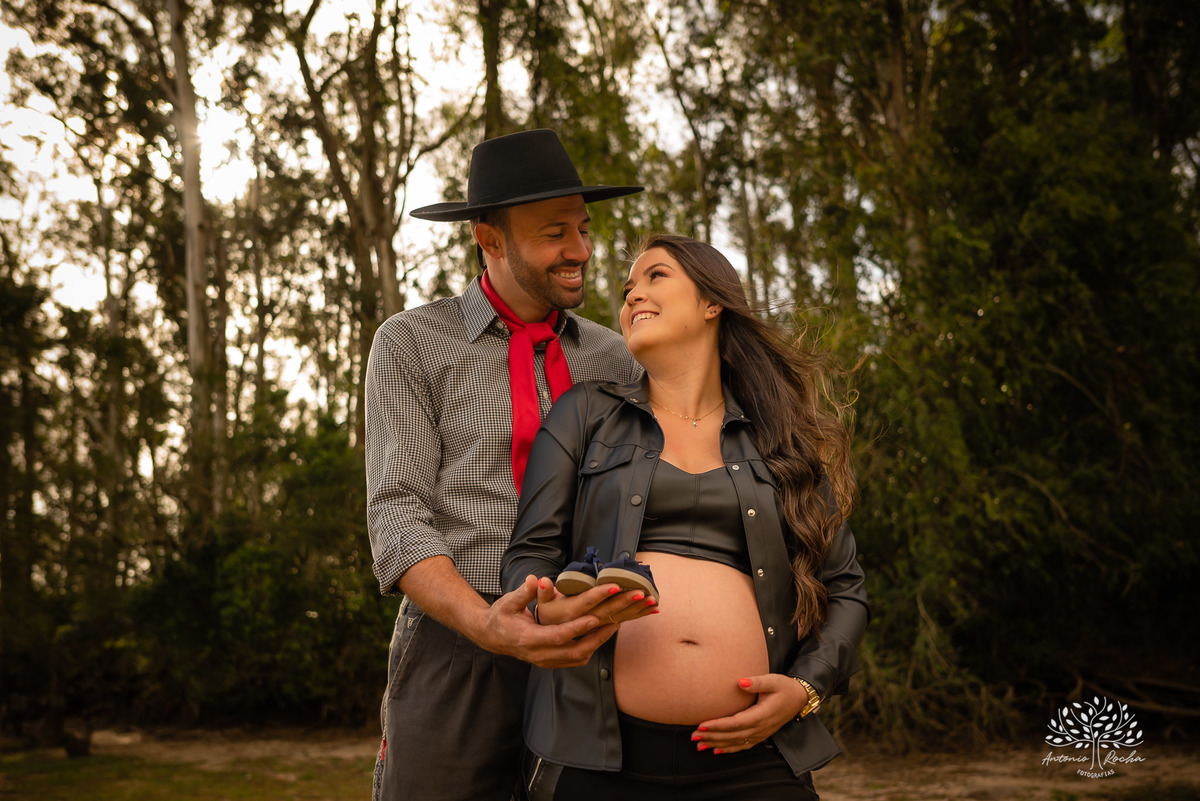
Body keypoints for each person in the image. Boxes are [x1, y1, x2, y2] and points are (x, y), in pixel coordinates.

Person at [502, 234, 870, 800]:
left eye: (655, 276)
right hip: (598, 756)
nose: (632, 296)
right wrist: (548, 604)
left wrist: (805, 689)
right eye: (627, 289)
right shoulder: (584, 414)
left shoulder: (783, 440)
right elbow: (530, 553)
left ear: (712, 302)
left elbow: (845, 589)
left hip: (754, 759)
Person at [365, 129, 656, 801]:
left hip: (589, 640)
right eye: (555, 233)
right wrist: (486, 622)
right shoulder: (411, 343)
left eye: (583, 228)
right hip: (455, 645)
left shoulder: (617, 359)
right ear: (490, 241)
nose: (581, 251)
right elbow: (397, 511)